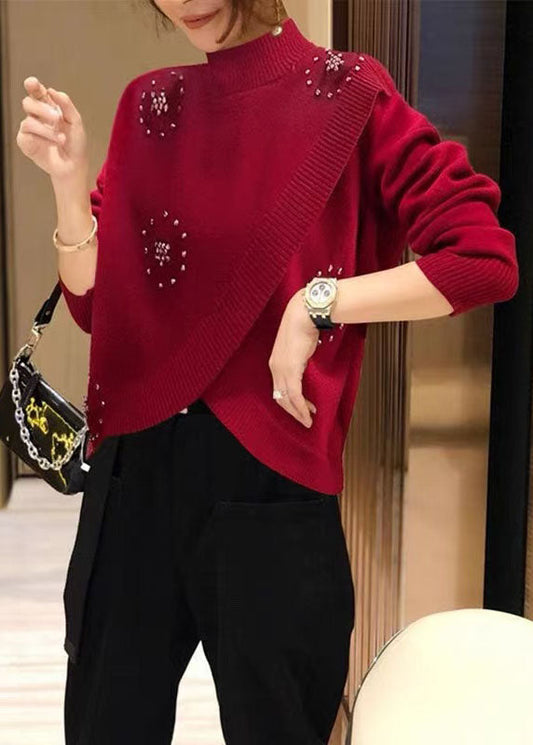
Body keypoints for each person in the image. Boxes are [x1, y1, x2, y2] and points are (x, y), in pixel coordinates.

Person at [16, 1, 519, 743]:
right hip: (132, 478)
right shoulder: (149, 105)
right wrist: (68, 184)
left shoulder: (351, 94)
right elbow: (95, 306)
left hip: (270, 486)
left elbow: (481, 259)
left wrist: (319, 304)